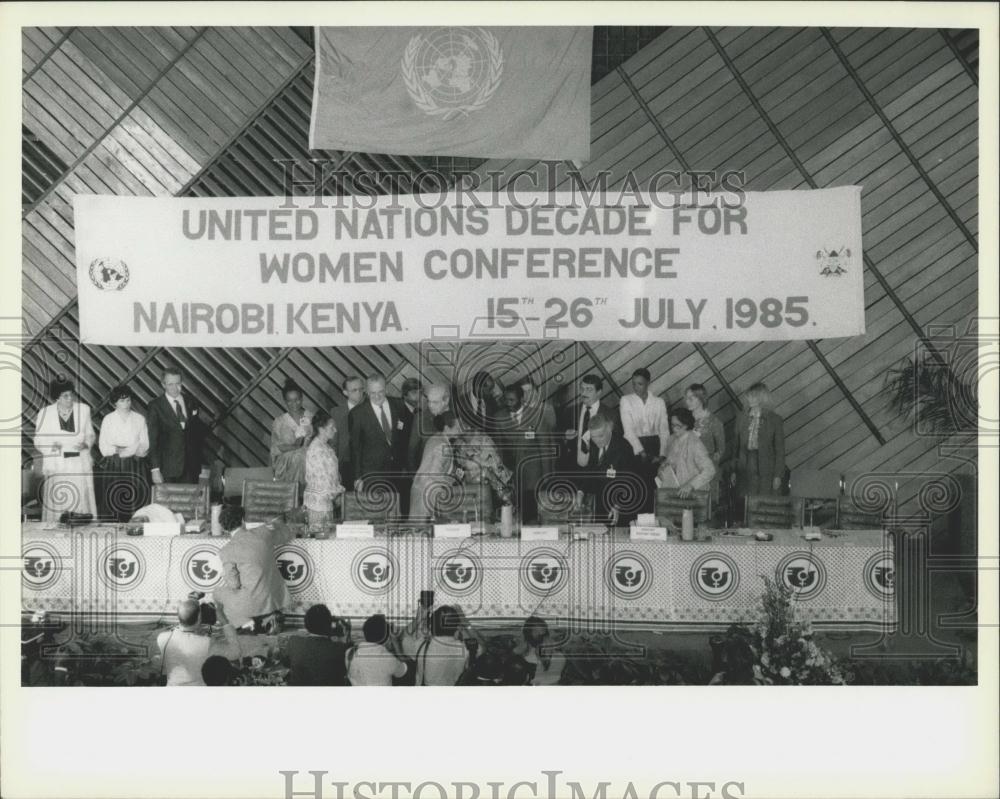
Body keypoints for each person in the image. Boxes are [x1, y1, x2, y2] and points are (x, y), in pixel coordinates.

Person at [213, 504, 296, 634]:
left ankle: (244, 622)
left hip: (251, 601)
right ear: (242, 521)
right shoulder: (264, 532)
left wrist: (224, 573)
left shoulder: (226, 551)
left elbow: (234, 585)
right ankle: (269, 617)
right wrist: (276, 524)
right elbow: (287, 534)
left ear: (224, 529)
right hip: (275, 598)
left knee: (217, 593)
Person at [33, 378, 98, 522]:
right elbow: (38, 440)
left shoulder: (84, 410)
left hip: (78, 463)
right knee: (60, 499)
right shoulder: (45, 413)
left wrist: (86, 444)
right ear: (57, 397)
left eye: (71, 395)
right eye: (65, 396)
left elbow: (90, 434)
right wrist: (51, 446)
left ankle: (82, 528)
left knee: (80, 498)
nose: (70, 399)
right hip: (58, 464)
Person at [349, 374, 407, 513]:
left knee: (398, 513)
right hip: (372, 473)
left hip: (397, 471)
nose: (376, 396)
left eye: (380, 392)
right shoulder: (357, 413)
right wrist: (358, 477)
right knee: (377, 514)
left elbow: (404, 436)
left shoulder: (399, 405)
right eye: (372, 393)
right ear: (367, 392)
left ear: (386, 389)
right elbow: (355, 448)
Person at [154, 599, 240, 686]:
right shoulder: (206, 643)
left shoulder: (162, 638)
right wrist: (224, 621)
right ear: (199, 617)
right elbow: (235, 653)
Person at [146, 367, 210, 485]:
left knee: (190, 502)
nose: (175, 388)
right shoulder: (155, 406)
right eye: (170, 384)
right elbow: (153, 440)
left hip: (191, 467)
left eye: (178, 384)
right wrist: (155, 469)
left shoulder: (191, 401)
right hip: (168, 468)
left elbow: (195, 432)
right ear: (163, 384)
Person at [96, 385, 151, 522]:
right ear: (114, 402)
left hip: (135, 465)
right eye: (122, 401)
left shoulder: (139, 419)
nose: (126, 404)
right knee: (114, 499)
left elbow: (145, 443)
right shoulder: (108, 419)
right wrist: (117, 450)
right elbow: (103, 446)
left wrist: (135, 450)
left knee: (135, 498)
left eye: (128, 400)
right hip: (114, 464)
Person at [618, 368, 669, 514]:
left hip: (655, 446)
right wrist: (641, 452)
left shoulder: (659, 402)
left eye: (640, 384)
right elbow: (628, 429)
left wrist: (662, 454)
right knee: (636, 487)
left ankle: (653, 522)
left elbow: (664, 429)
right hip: (634, 447)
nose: (636, 387)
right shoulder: (626, 400)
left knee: (654, 487)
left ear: (648, 383)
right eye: (633, 384)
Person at [574, 413, 639, 525]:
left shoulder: (624, 447)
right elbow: (590, 471)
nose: (597, 440)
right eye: (593, 437)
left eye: (601, 436)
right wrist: (581, 492)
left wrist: (618, 505)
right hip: (600, 504)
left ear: (610, 428)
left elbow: (629, 481)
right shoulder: (593, 444)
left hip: (620, 506)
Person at [450, 413, 512, 524]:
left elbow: (498, 475)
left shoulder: (484, 441)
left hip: (487, 496)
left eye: (455, 424)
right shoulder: (457, 443)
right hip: (466, 498)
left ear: (466, 426)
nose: (451, 427)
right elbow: (456, 471)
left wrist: (505, 500)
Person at [498, 384, 545, 524]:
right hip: (511, 475)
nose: (508, 403)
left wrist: (547, 475)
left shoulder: (536, 415)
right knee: (513, 517)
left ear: (521, 399)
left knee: (531, 516)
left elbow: (545, 446)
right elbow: (500, 448)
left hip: (532, 475)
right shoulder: (499, 417)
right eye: (506, 400)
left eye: (512, 400)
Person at [730, 382, 786, 497]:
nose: (750, 399)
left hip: (766, 470)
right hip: (745, 467)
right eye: (749, 396)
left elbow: (780, 450)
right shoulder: (741, 418)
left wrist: (778, 476)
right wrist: (733, 471)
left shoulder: (775, 420)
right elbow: (735, 448)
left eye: (754, 396)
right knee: (746, 502)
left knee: (763, 502)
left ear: (762, 397)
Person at [409, 411, 458, 522]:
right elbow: (434, 474)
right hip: (426, 497)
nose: (460, 429)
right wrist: (451, 481)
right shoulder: (442, 445)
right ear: (446, 428)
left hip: (422, 492)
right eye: (458, 426)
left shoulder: (436, 438)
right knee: (422, 533)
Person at [658, 407, 716, 498]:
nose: (674, 429)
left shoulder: (695, 443)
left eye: (678, 426)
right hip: (678, 493)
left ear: (686, 425)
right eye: (672, 425)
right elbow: (670, 462)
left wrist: (691, 485)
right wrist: (662, 468)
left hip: (695, 495)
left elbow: (710, 470)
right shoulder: (673, 440)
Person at [302, 409, 345, 531]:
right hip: (317, 505)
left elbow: (333, 476)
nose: (335, 430)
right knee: (319, 539)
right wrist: (338, 493)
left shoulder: (325, 447)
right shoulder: (317, 449)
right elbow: (324, 480)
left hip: (325, 502)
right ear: (321, 429)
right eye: (332, 427)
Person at [415, 605, 479, 687]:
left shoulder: (421, 645)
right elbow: (483, 647)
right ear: (457, 628)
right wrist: (465, 621)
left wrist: (423, 613)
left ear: (432, 627)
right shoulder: (466, 649)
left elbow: (410, 636)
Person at [286, 604, 348, 686]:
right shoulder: (340, 649)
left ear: (306, 623)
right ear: (329, 625)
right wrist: (345, 637)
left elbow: (286, 663)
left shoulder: (293, 641)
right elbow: (344, 671)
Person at [564, 375, 616, 471]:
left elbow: (614, 445)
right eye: (582, 388)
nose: (584, 393)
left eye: (589, 389)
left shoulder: (610, 414)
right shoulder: (570, 411)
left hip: (597, 470)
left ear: (599, 392)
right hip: (572, 468)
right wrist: (565, 435)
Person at [684, 383, 725, 500]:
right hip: (687, 472)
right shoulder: (685, 419)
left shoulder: (714, 422)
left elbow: (721, 450)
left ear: (701, 398)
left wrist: (706, 466)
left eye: (691, 398)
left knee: (705, 508)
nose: (687, 401)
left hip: (706, 473)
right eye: (686, 398)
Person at [270, 379, 313, 486]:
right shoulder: (279, 421)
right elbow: (276, 448)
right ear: (285, 401)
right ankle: (293, 494)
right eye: (290, 401)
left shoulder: (311, 417)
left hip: (311, 461)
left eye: (297, 400)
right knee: (298, 456)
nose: (294, 404)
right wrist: (297, 448)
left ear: (302, 399)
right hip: (286, 464)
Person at [345, 614, 409, 686]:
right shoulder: (388, 659)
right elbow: (403, 672)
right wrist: (396, 644)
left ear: (365, 632)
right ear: (385, 637)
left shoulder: (349, 653)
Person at [408, 382, 452, 471]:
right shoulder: (420, 419)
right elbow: (412, 451)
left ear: (446, 400)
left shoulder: (456, 416)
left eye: (435, 402)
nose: (430, 405)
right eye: (429, 401)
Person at [331, 376, 364, 488]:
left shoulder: (370, 409)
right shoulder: (337, 412)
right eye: (354, 390)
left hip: (365, 463)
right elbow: (334, 443)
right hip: (345, 462)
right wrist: (334, 469)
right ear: (345, 392)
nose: (359, 393)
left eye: (361, 389)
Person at [517, 616, 566, 686]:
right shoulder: (523, 652)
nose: (540, 634)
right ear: (528, 633)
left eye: (543, 631)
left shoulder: (556, 654)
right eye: (536, 631)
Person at [396, 377, 421, 516]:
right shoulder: (398, 413)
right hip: (403, 468)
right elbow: (399, 442)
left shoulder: (420, 413)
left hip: (417, 465)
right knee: (405, 502)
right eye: (414, 392)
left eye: (419, 392)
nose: (417, 396)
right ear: (405, 394)